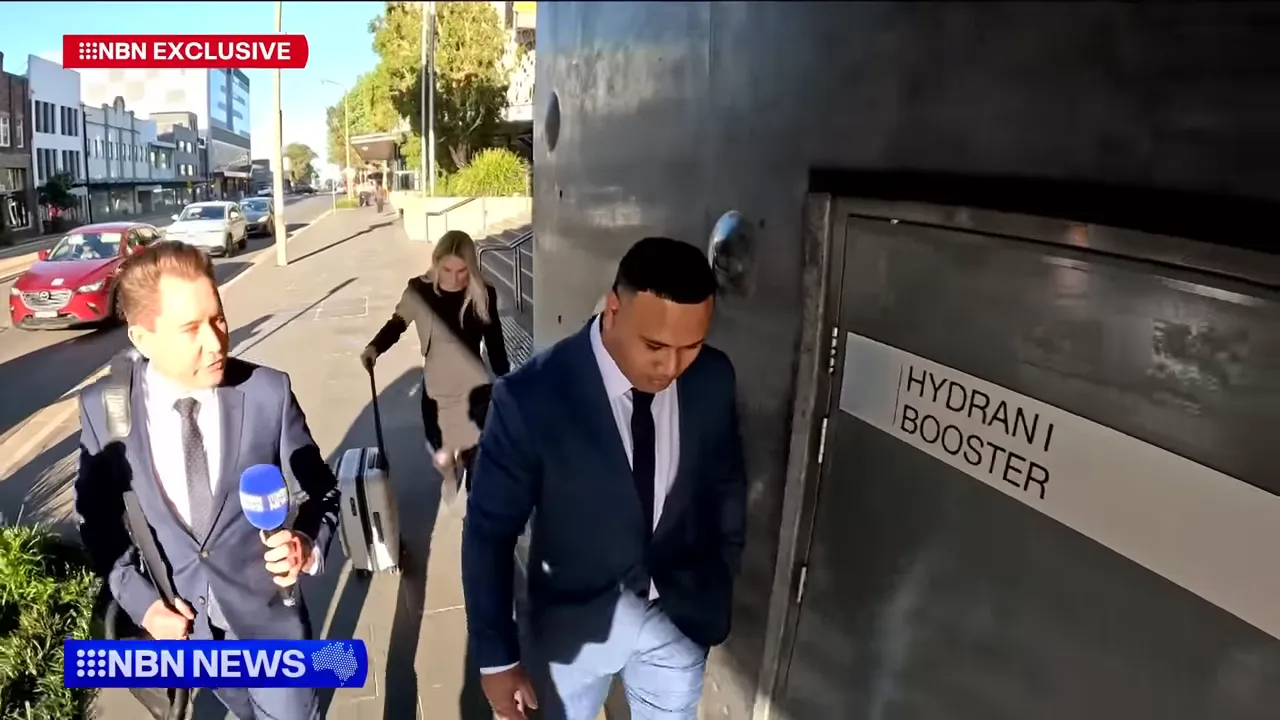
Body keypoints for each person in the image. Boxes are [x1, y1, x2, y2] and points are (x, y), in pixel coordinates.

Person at [462, 236, 748, 720]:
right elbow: (489, 532)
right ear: (614, 309)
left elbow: (726, 483)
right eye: (655, 345)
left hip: (677, 621)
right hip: (571, 631)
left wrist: (721, 569)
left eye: (691, 346)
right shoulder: (531, 396)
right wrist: (498, 658)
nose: (671, 366)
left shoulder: (714, 377)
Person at [74, 241, 340, 720]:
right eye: (190, 329)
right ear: (141, 338)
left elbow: (323, 490)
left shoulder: (266, 393)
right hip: (192, 641)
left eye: (217, 318)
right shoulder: (108, 405)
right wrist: (144, 606)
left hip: (271, 629)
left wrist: (305, 540)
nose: (217, 341)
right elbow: (98, 523)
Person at [361, 229, 511, 493]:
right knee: (441, 450)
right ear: (436, 263)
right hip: (435, 391)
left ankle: (475, 513)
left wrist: (506, 380)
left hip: (474, 393)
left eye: (462, 271)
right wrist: (375, 347)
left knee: (478, 462)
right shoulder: (419, 290)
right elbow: (397, 324)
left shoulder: (483, 294)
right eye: (447, 269)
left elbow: (495, 343)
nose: (454, 279)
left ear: (471, 267)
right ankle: (449, 469)